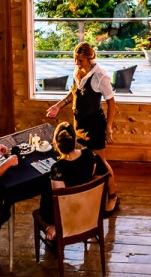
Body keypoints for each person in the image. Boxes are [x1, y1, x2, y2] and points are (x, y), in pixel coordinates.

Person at [46, 42, 120, 212]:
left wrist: (108, 128)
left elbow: (112, 103)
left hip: (94, 124)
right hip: (78, 124)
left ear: (89, 58)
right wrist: (58, 106)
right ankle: (91, 195)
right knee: (85, 160)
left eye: (80, 60)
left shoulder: (100, 76)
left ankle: (113, 196)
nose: (77, 63)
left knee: (100, 162)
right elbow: (73, 92)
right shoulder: (77, 71)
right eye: (75, 59)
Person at [37, 122, 119, 240]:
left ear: (57, 145)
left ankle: (52, 227)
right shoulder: (89, 154)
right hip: (88, 209)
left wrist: (57, 224)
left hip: (71, 215)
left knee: (46, 190)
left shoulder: (57, 168)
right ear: (75, 140)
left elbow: (61, 204)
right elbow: (102, 171)